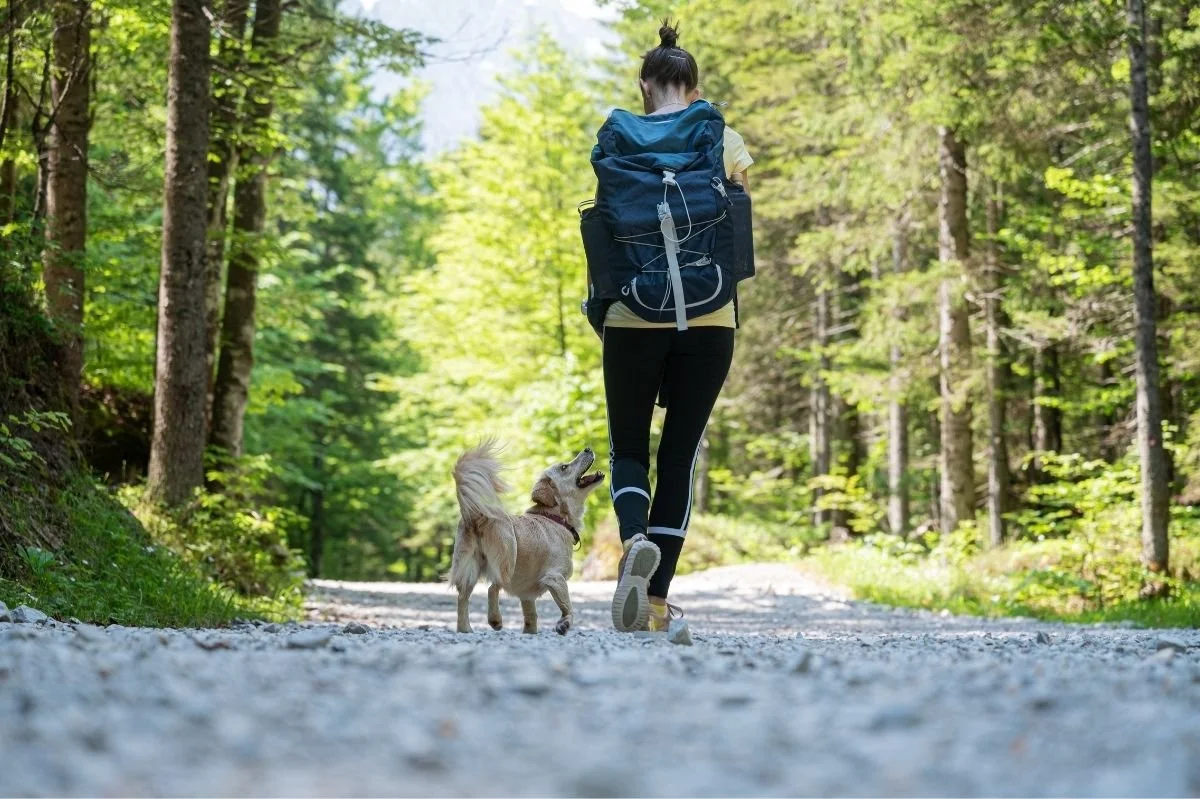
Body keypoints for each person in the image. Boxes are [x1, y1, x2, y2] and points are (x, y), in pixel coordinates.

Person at [605, 20, 752, 634]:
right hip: (711, 313)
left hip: (632, 312)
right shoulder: (723, 136)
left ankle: (634, 538)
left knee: (630, 448)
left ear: (645, 83)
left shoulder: (618, 136)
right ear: (693, 85)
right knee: (680, 452)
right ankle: (657, 603)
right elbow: (738, 215)